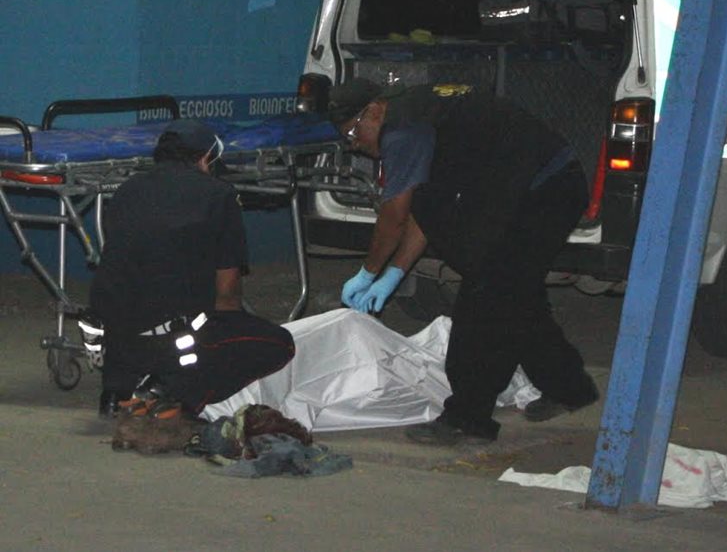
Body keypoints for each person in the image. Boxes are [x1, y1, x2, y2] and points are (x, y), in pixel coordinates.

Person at [328, 78, 598, 446]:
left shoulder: (404, 130)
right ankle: (569, 386)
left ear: (374, 110)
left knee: (485, 298)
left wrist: (368, 271)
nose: (356, 146)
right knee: (514, 294)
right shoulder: (422, 117)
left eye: (353, 134)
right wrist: (393, 274)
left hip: (545, 189)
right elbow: (425, 214)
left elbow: (395, 215)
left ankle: (467, 418)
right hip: (536, 186)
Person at [89, 118, 295, 421]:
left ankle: (115, 394)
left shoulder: (126, 191)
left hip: (116, 340)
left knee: (138, 311)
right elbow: (227, 294)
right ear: (205, 158)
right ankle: (171, 391)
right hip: (171, 338)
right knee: (277, 343)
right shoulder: (219, 195)